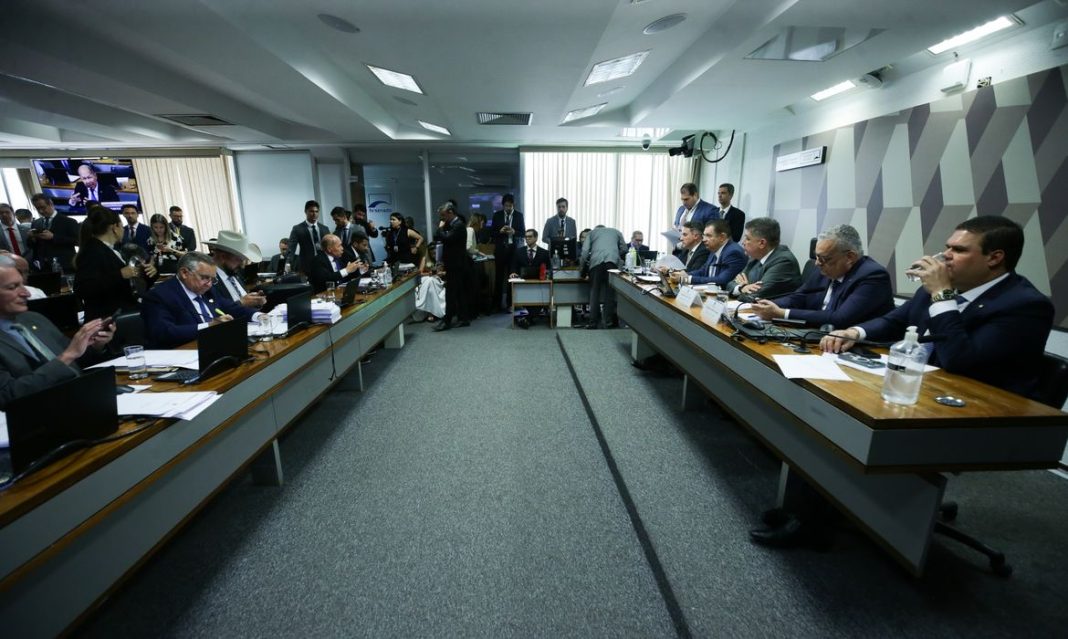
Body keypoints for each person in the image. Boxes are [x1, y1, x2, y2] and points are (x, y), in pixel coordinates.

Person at [820, 216, 1054, 399]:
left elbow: (959, 360)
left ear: (994, 258)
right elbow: (894, 321)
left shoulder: (1026, 306)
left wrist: (942, 295)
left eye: (959, 250)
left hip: (981, 414)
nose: (944, 256)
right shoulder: (937, 289)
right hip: (919, 388)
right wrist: (853, 333)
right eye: (948, 247)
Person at [0, 255, 117, 409]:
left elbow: (74, 361)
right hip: (37, 417)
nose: (26, 293)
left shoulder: (33, 319)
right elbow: (8, 395)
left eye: (23, 284)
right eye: (12, 287)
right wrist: (68, 355)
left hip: (81, 399)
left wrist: (95, 345)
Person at [750, 224, 893, 328]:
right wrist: (768, 306)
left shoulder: (872, 276)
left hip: (856, 347)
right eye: (816, 257)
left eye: (823, 259)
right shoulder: (824, 268)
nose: (817, 263)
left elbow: (840, 318)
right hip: (817, 334)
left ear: (850, 257)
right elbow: (800, 297)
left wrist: (781, 313)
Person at [141, 252, 245, 349]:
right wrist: (209, 326)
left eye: (212, 279)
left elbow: (230, 307)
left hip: (213, 347)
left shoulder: (207, 290)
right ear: (184, 273)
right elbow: (165, 332)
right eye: (204, 278)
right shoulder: (159, 296)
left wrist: (258, 316)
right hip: (180, 354)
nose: (209, 284)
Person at [74, 206, 159, 321]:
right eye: (121, 225)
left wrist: (149, 273)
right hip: (110, 319)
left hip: (122, 313)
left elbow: (131, 284)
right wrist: (120, 275)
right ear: (115, 227)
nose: (124, 230)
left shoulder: (113, 249)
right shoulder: (93, 251)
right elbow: (82, 289)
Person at [732, 217, 801, 302]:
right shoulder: (756, 257)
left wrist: (743, 288)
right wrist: (742, 288)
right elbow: (731, 283)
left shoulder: (784, 262)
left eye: (747, 238)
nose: (743, 242)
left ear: (762, 243)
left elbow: (754, 296)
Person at [204, 230, 266, 317]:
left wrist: (254, 301)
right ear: (223, 257)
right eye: (239, 260)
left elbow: (243, 300)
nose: (242, 265)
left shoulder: (233, 272)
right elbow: (213, 312)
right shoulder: (207, 279)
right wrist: (241, 303)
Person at [432, 202, 471, 331]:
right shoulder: (450, 224)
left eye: (443, 216)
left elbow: (446, 238)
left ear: (450, 212)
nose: (442, 219)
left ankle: (447, 321)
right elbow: (437, 237)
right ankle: (463, 318)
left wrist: (440, 228)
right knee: (459, 292)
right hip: (452, 263)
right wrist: (441, 230)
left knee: (451, 293)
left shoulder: (459, 225)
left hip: (457, 264)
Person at [579, 224, 626, 329]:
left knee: (594, 292)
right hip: (612, 262)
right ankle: (608, 322)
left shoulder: (591, 233)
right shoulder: (616, 231)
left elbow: (585, 251)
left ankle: (593, 323)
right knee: (610, 293)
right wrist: (614, 253)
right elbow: (624, 248)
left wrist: (581, 268)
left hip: (596, 263)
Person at [681, 219, 747, 287]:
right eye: (704, 236)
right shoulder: (714, 248)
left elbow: (722, 280)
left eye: (708, 236)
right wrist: (685, 274)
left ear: (722, 237)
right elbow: (703, 271)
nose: (704, 239)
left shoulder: (733, 253)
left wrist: (688, 279)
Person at [491, 193, 524, 312]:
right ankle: (496, 305)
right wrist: (500, 231)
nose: (508, 208)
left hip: (513, 250)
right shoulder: (497, 215)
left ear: (513, 205)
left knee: (512, 277)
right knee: (498, 278)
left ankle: (511, 304)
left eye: (510, 206)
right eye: (506, 206)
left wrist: (514, 231)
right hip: (500, 250)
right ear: (503, 205)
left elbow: (523, 232)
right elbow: (492, 233)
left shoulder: (519, 216)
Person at [29, 193, 79, 273]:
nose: (41, 211)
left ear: (51, 203)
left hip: (64, 266)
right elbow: (32, 247)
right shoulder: (35, 223)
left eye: (43, 207)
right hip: (42, 268)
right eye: (37, 208)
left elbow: (78, 241)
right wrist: (32, 238)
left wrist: (54, 237)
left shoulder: (69, 221)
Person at [286, 200, 330, 275]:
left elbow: (330, 246)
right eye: (311, 211)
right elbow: (291, 247)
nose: (314, 214)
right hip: (306, 266)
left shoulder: (324, 228)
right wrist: (288, 263)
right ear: (305, 212)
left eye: (316, 211)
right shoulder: (298, 228)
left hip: (324, 264)